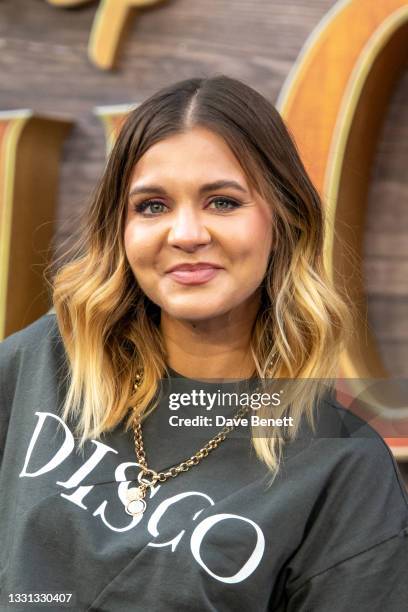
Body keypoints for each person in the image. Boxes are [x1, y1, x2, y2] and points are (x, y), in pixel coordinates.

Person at [0, 75, 407, 612]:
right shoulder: (44, 360)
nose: (186, 233)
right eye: (152, 206)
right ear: (119, 229)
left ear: (283, 220)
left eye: (222, 202)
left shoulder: (341, 465)